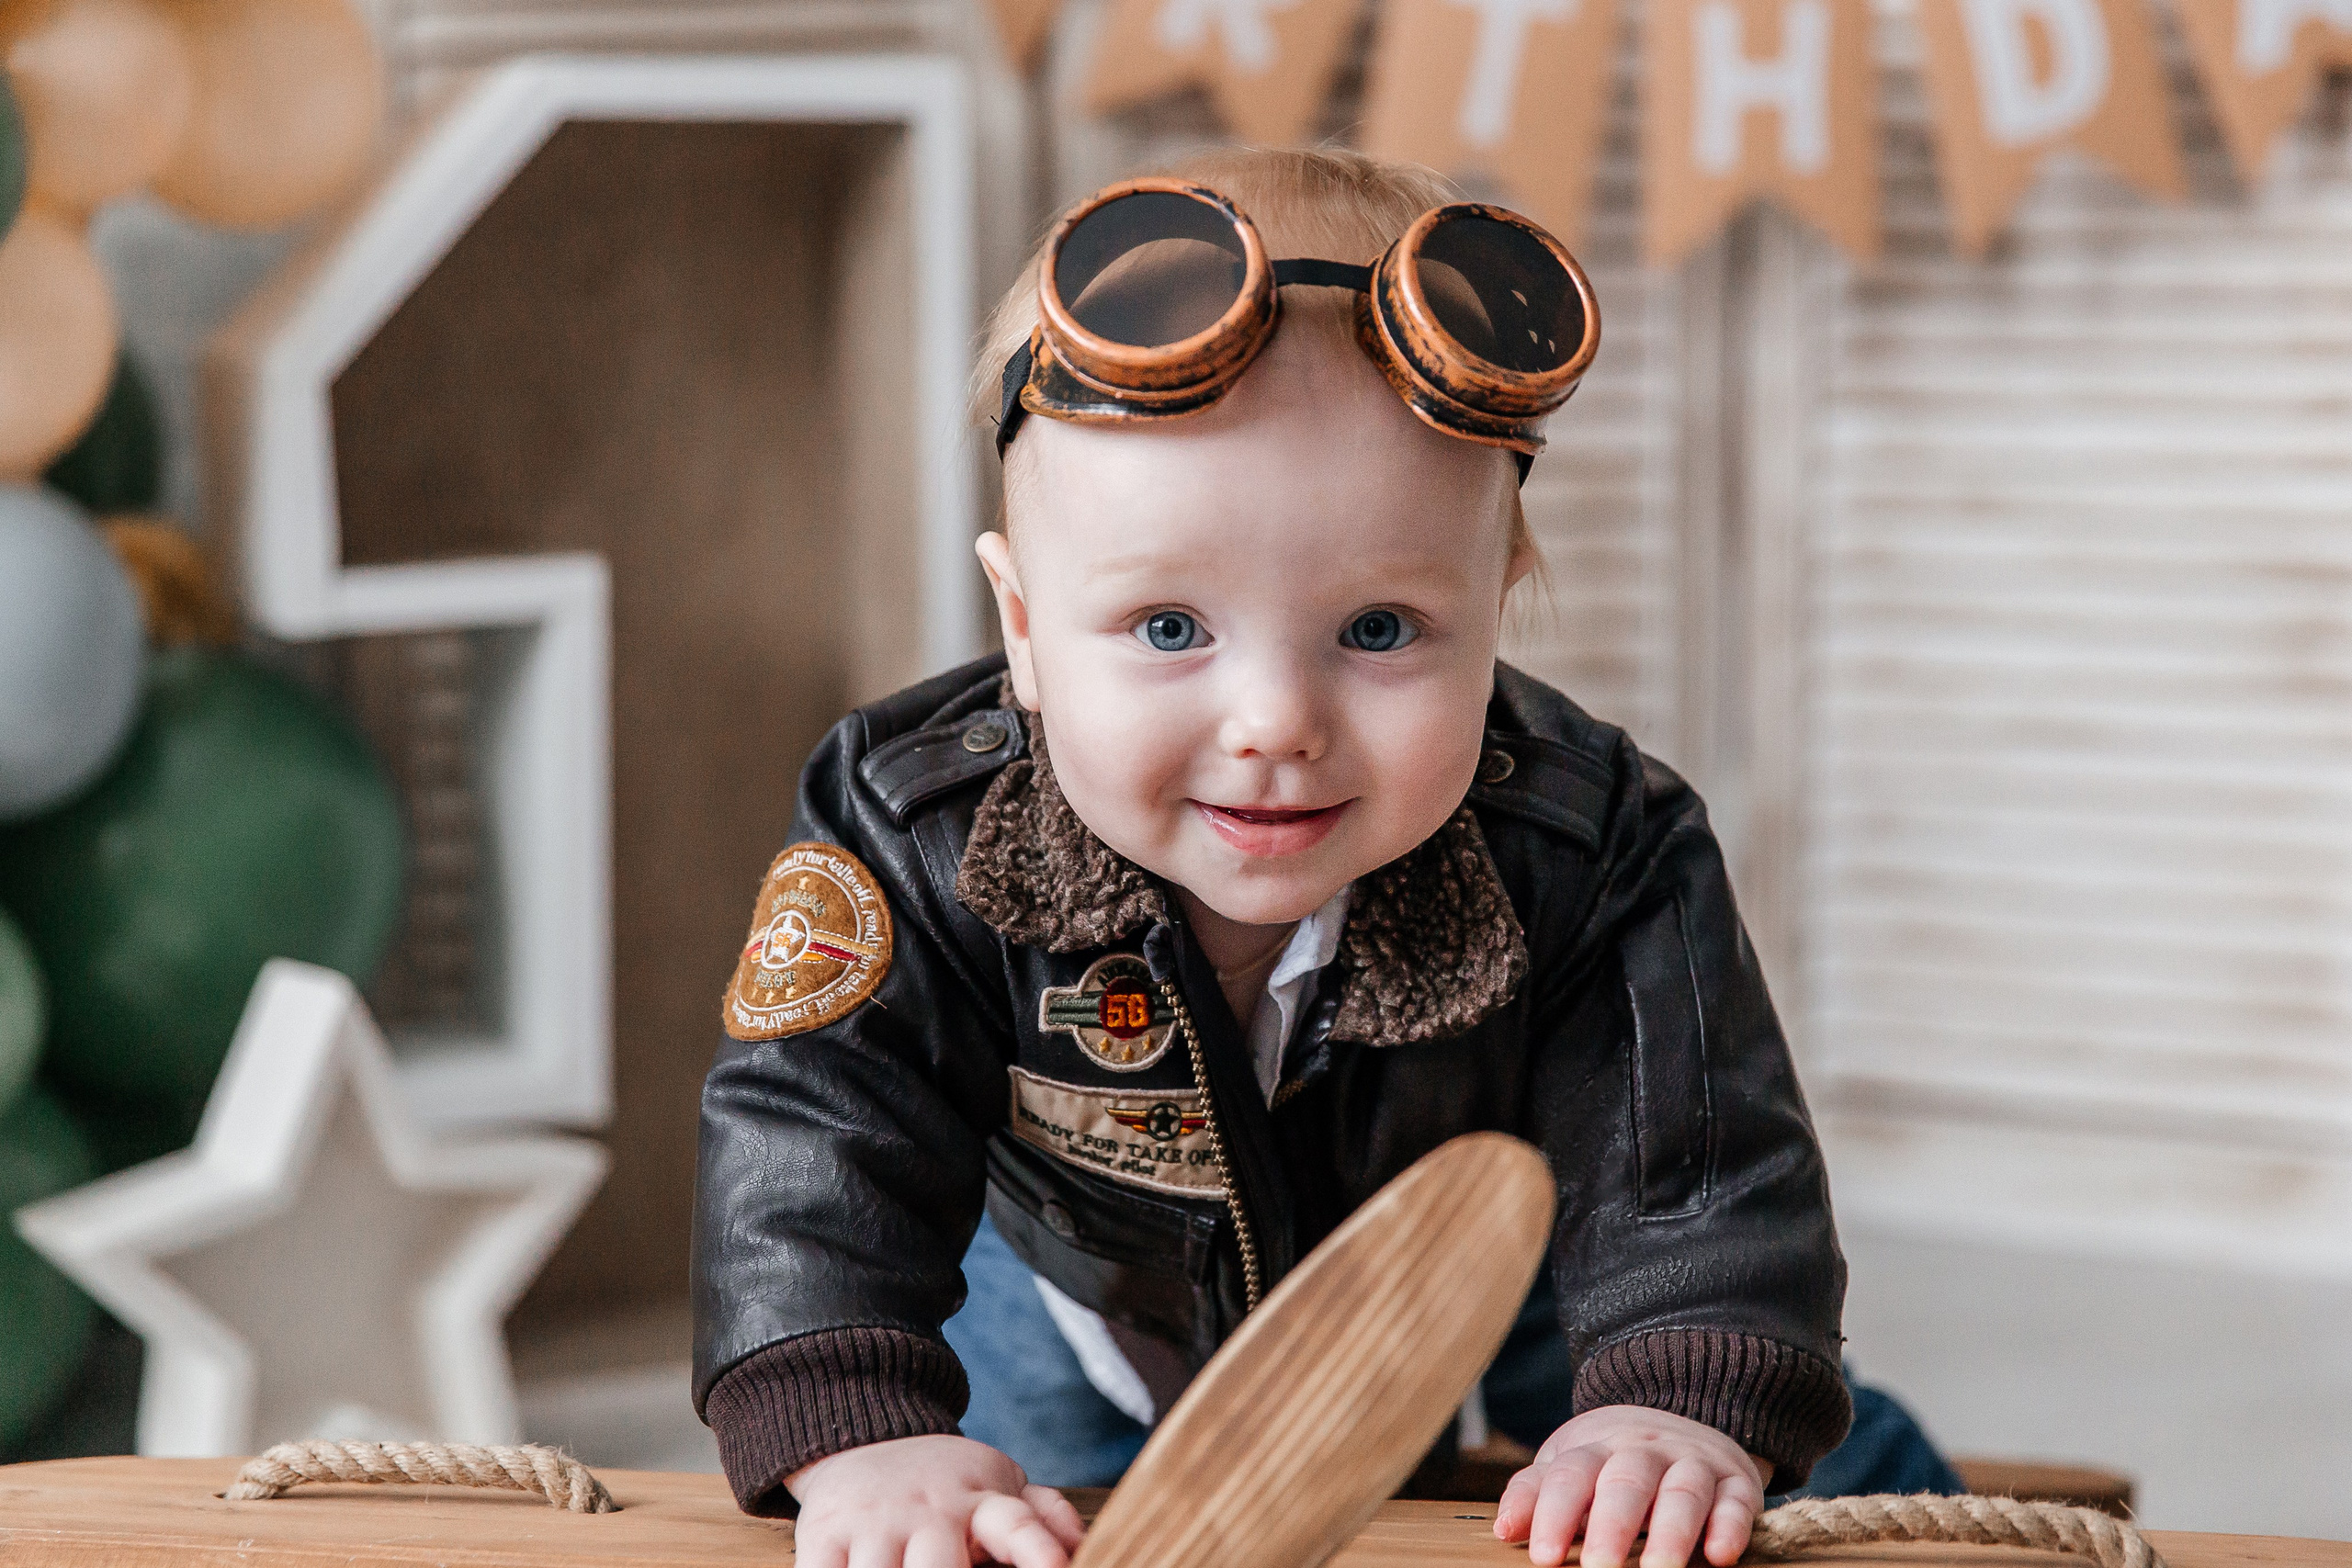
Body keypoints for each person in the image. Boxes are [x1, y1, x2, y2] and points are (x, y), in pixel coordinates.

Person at [694, 147, 1928, 1568]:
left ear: (1497, 607)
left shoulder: (1596, 846)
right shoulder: (910, 829)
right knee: (1048, 1516)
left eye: (1382, 630)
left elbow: (1690, 1163)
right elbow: (811, 1127)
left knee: (1707, 1471)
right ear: (1024, 631)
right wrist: (859, 1428)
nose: (1276, 723)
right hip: (1085, 1286)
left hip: (1480, 1245)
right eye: (1170, 628)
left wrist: (1681, 1401)